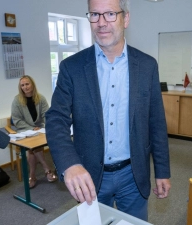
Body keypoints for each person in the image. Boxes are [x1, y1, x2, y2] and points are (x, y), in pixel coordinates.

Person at [45, 0, 171, 221]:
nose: (101, 23)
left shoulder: (147, 66)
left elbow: (156, 122)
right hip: (90, 176)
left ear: (126, 18)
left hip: (134, 175)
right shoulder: (71, 67)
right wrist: (69, 164)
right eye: (95, 15)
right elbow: (56, 119)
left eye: (110, 14)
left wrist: (162, 171)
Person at [11, 75, 57, 188]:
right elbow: (17, 120)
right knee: (34, 147)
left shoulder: (40, 98)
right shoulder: (17, 100)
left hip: (39, 129)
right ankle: (46, 168)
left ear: (32, 84)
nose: (25, 87)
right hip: (25, 130)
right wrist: (31, 128)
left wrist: (48, 126)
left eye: (27, 84)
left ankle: (32, 175)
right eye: (22, 85)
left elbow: (46, 115)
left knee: (33, 149)